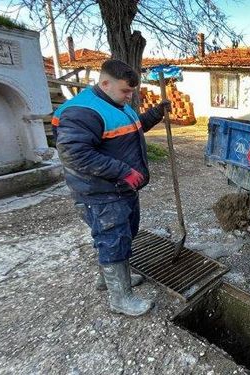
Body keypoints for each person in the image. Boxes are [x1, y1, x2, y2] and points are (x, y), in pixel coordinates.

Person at [53, 59, 170, 317]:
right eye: (125, 91)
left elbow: (131, 130)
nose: (129, 97)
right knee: (113, 238)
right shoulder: (82, 112)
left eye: (131, 92)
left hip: (121, 189)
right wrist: (124, 172)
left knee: (122, 235)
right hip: (100, 192)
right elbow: (75, 154)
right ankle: (120, 299)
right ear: (105, 83)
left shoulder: (115, 104)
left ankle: (111, 279)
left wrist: (155, 114)